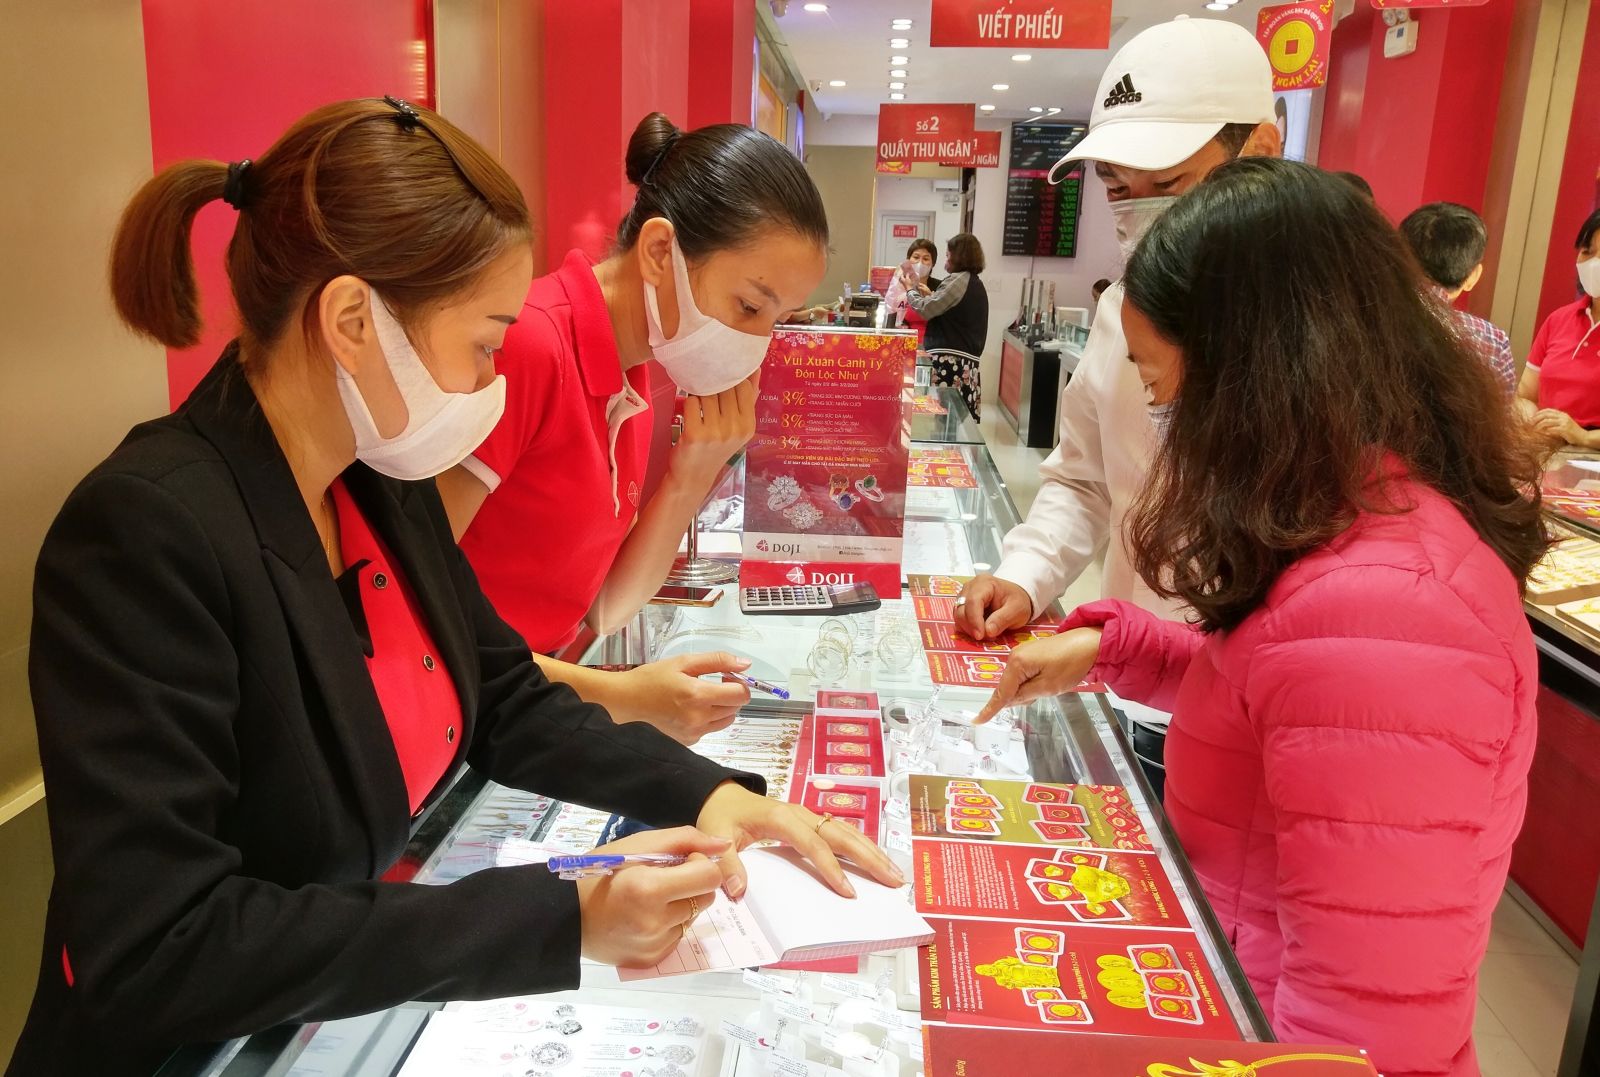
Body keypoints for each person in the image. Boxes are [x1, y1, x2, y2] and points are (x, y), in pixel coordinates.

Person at [11, 97, 898, 1076]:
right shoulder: (146, 531)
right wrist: (558, 920)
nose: (489, 383)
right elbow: (160, 946)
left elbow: (500, 690)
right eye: (483, 344)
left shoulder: (371, 479)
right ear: (353, 323)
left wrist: (709, 793)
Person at [978, 158, 1544, 1077]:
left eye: (1161, 388)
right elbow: (1279, 688)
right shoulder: (1358, 529)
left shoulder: (1394, 619)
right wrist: (1118, 645)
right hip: (1229, 1001)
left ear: (1256, 375)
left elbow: (1357, 1036)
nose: (1162, 422)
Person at [953, 17, 1281, 792]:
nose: (1141, 216)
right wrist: (1026, 575)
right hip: (1131, 688)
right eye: (1119, 191)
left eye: (1167, 186)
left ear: (1261, 151)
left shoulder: (1328, 337)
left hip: (1265, 728)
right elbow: (1082, 476)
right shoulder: (1120, 312)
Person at [434, 114, 829, 745]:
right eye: (750, 306)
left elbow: (606, 608)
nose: (760, 341)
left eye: (779, 319)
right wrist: (620, 696)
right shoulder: (529, 344)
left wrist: (694, 471)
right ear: (659, 252)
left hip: (527, 712)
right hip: (463, 721)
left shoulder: (637, 370)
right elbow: (411, 609)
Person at [1399, 202, 1515, 395]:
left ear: (1398, 257)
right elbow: (1501, 411)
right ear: (1472, 277)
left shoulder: (1363, 320)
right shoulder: (1493, 341)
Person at [1520, 209, 1600, 449]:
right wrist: (1529, 418)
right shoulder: (1558, 319)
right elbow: (1526, 395)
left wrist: (1582, 436)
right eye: (1587, 252)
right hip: (1546, 454)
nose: (1594, 263)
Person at [907, 232, 988, 419]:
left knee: (947, 420)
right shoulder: (972, 282)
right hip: (963, 364)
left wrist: (910, 290)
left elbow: (926, 309)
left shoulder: (958, 281)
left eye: (948, 255)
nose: (946, 260)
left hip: (952, 365)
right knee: (953, 420)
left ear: (958, 256)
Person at [897, 237, 940, 342]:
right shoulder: (900, 284)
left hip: (933, 344)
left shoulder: (940, 287)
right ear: (908, 260)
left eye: (926, 259)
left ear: (933, 263)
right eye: (916, 257)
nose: (920, 263)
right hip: (903, 342)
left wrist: (931, 298)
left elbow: (945, 320)